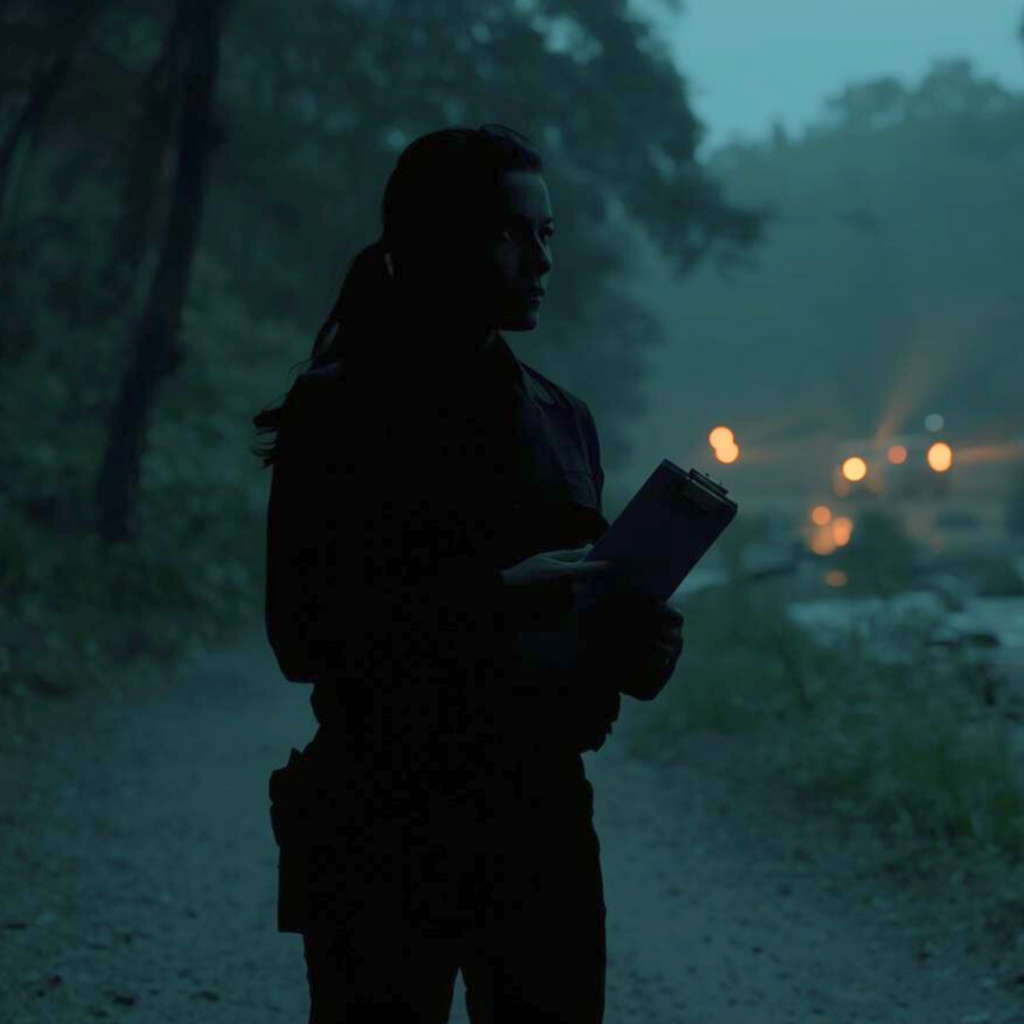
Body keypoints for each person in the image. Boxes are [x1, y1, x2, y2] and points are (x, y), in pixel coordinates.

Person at [252, 124, 684, 1024]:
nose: (541, 260)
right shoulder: (341, 410)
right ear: (438, 236)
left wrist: (640, 638)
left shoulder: (564, 420)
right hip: (380, 816)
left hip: (541, 820)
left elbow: (594, 629)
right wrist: (497, 595)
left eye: (549, 235)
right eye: (514, 233)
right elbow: (301, 634)